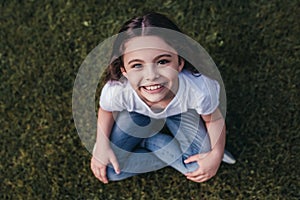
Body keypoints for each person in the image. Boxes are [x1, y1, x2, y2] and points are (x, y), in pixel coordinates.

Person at [91, 12, 235, 184]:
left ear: (180, 62)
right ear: (124, 71)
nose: (151, 76)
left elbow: (214, 120)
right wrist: (101, 145)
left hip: (182, 113)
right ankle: (156, 143)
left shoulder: (200, 90)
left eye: (162, 62)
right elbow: (106, 110)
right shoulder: (118, 91)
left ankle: (148, 142)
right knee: (110, 171)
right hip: (136, 115)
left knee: (197, 167)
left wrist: (216, 154)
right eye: (137, 65)